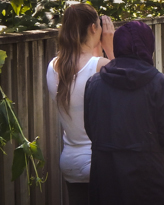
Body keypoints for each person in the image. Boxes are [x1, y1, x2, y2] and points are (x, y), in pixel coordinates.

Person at [83, 21, 164, 205]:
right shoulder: (159, 82)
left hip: (106, 179)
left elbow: (92, 131)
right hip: (150, 180)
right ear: (148, 45)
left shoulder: (94, 83)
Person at [44, 3, 114, 204]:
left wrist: (97, 52)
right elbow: (131, 89)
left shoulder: (54, 66)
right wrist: (109, 48)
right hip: (98, 160)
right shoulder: (102, 66)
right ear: (94, 28)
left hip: (70, 161)